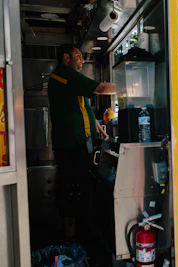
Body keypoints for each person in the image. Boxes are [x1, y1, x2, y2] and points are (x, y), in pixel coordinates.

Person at [48, 44, 116, 240]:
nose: (82, 60)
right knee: (72, 191)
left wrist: (96, 124)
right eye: (78, 56)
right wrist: (131, 84)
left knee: (76, 189)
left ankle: (75, 237)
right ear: (65, 57)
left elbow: (80, 107)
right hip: (70, 145)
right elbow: (102, 88)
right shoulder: (64, 75)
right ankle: (70, 242)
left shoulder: (69, 79)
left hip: (76, 143)